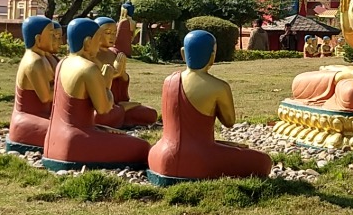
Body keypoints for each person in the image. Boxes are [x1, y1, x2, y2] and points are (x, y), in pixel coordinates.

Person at [147, 30, 272, 184]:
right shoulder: (219, 87)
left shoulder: (169, 81)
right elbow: (229, 121)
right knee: (263, 161)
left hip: (158, 156)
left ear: (183, 54)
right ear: (212, 57)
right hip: (198, 160)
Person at [42, 18, 151, 170]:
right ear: (88, 42)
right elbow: (104, 109)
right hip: (76, 141)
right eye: (98, 38)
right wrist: (107, 83)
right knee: (143, 147)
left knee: (119, 135)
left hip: (54, 138)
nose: (100, 43)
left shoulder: (63, 63)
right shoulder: (89, 68)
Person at [91, 16, 157, 127]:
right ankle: (120, 111)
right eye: (108, 33)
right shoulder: (93, 55)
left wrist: (123, 75)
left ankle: (119, 112)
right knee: (97, 117)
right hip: (101, 105)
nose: (112, 36)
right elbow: (97, 83)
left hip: (117, 101)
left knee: (151, 114)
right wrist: (116, 73)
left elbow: (122, 82)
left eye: (114, 33)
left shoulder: (115, 53)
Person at [7, 15, 61, 150]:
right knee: (64, 134)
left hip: (44, 115)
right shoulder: (34, 62)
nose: (55, 38)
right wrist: (66, 88)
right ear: (38, 39)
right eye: (51, 35)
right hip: (27, 118)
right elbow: (46, 97)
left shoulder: (44, 58)